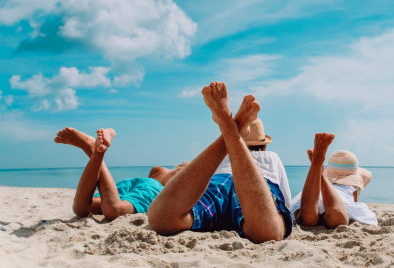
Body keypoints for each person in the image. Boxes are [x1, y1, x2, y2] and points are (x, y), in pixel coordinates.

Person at [148, 82, 292, 243]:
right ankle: (230, 127)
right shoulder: (271, 156)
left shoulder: (219, 155)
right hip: (255, 186)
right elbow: (286, 201)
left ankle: (228, 127)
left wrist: (229, 134)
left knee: (161, 219)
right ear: (264, 146)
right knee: (268, 231)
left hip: (220, 180)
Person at [55, 127, 186, 220]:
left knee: (82, 209)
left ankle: (91, 148)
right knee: (115, 210)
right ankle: (93, 150)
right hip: (155, 188)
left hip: (133, 184)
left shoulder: (159, 170)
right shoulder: (181, 173)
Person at [290, 132, 376, 227]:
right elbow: (354, 203)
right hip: (337, 199)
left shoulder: (314, 185)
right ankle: (322, 176)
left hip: (313, 195)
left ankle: (319, 170)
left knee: (305, 219)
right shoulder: (351, 187)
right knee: (339, 220)